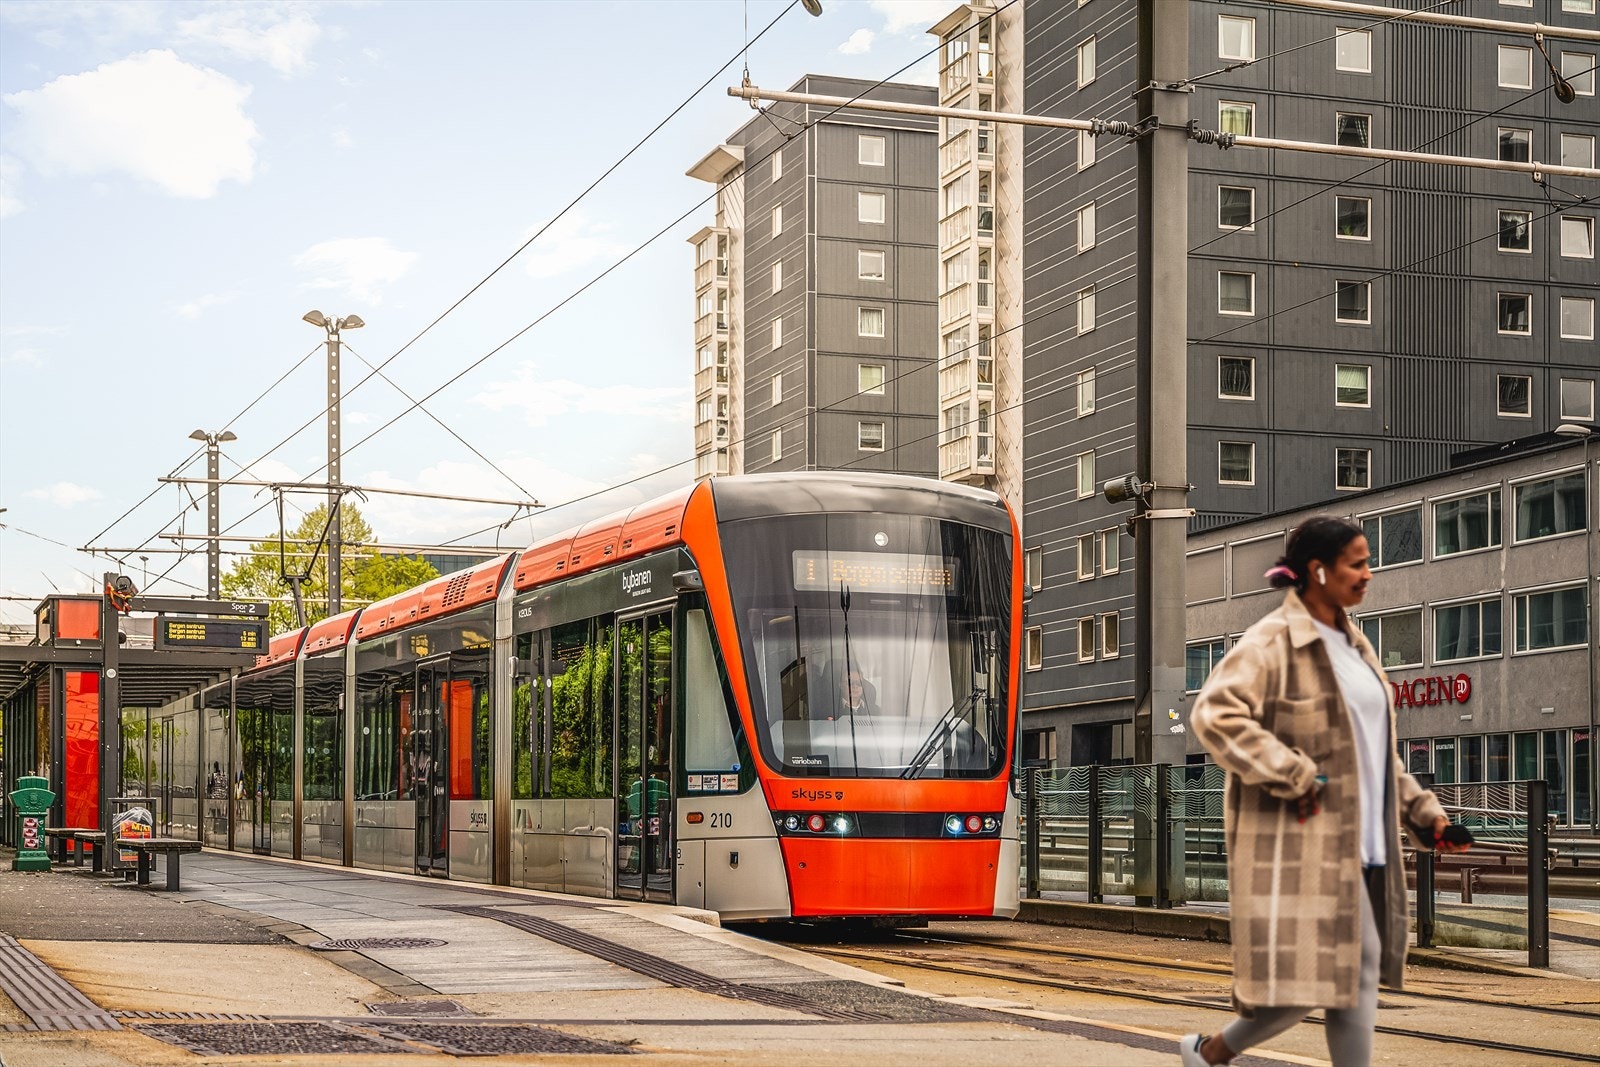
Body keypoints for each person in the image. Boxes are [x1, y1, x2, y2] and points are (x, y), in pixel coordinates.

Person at [1181, 516, 1470, 1067]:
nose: (1368, 574)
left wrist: (1426, 815)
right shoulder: (1273, 640)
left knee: (1344, 978)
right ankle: (1212, 1052)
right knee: (1328, 980)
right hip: (1301, 844)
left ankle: (1211, 1053)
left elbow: (1373, 755)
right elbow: (1215, 713)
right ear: (1318, 570)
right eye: (1357, 563)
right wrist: (1290, 772)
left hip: (1363, 844)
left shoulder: (1356, 646)